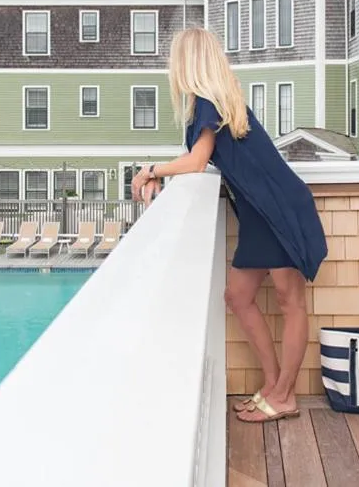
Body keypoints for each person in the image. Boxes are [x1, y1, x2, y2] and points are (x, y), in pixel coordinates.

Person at [130, 27, 327, 424]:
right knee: (238, 297)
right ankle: (272, 385)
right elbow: (202, 158)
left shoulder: (209, 103)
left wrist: (150, 170)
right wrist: (164, 169)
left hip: (279, 209)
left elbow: (197, 162)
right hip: (258, 213)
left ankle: (285, 396)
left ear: (187, 62)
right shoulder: (216, 103)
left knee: (291, 302)